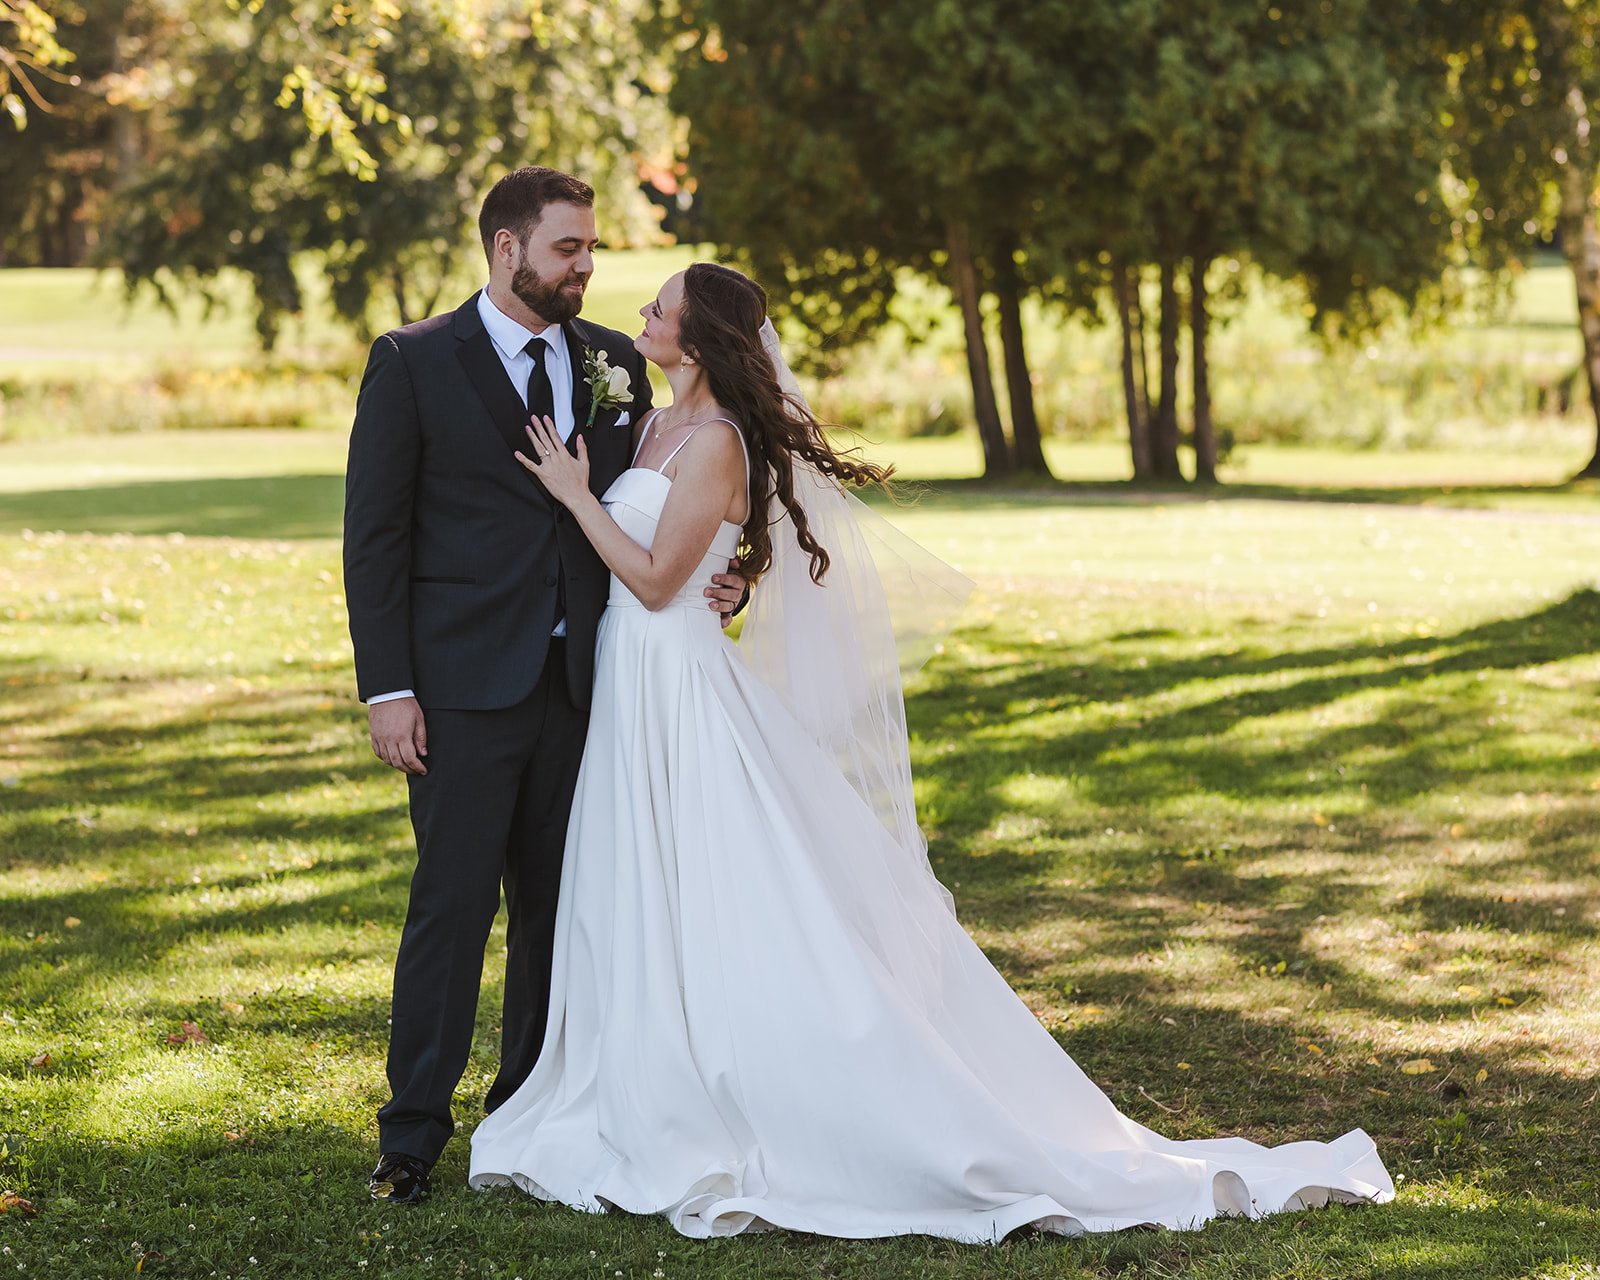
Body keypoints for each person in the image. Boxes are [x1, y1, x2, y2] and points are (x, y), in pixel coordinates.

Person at [466, 262, 1394, 1241]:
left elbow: (657, 581)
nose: (641, 316)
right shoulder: (652, 422)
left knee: (719, 885)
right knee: (646, 885)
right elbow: (695, 564)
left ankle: (772, 1093)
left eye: (659, 308)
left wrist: (577, 495)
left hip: (677, 682)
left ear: (694, 344)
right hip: (632, 680)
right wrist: (713, 568)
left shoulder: (719, 441)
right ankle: (641, 1069)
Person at [342, 168, 746, 1205]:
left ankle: (523, 1107)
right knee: (451, 904)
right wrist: (389, 689)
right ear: (507, 247)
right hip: (462, 690)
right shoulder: (413, 361)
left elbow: (664, 503)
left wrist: (724, 572)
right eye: (569, 249)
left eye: (592, 251)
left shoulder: (616, 362)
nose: (587, 268)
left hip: (587, 687)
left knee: (561, 912)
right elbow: (375, 541)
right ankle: (411, 1134)